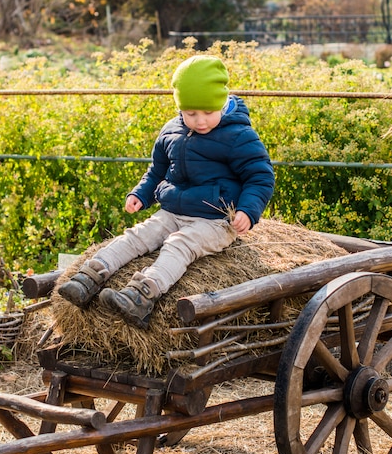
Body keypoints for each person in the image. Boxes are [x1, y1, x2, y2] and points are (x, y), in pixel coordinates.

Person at [58, 55, 275, 329]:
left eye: (208, 112)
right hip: (172, 210)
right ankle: (89, 276)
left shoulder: (238, 136)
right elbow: (157, 171)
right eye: (191, 113)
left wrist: (247, 210)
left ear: (222, 102)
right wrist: (141, 194)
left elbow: (260, 176)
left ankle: (143, 293)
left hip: (215, 220)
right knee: (137, 236)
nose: (200, 121)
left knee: (178, 244)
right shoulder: (171, 131)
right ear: (179, 107)